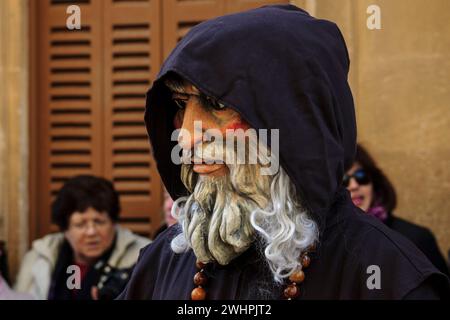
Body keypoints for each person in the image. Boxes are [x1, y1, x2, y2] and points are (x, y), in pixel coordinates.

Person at [117, 5, 450, 299]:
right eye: (180, 104)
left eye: (217, 104)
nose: (187, 137)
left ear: (296, 123)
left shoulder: (388, 277)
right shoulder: (161, 263)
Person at [15, 175, 150, 300]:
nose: (91, 232)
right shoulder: (40, 257)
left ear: (113, 223)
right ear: (65, 229)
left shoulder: (145, 256)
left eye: (99, 222)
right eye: (80, 224)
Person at [345, 144, 449, 275]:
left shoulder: (415, 239)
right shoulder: (324, 246)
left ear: (374, 182)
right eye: (343, 180)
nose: (354, 185)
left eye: (361, 176)